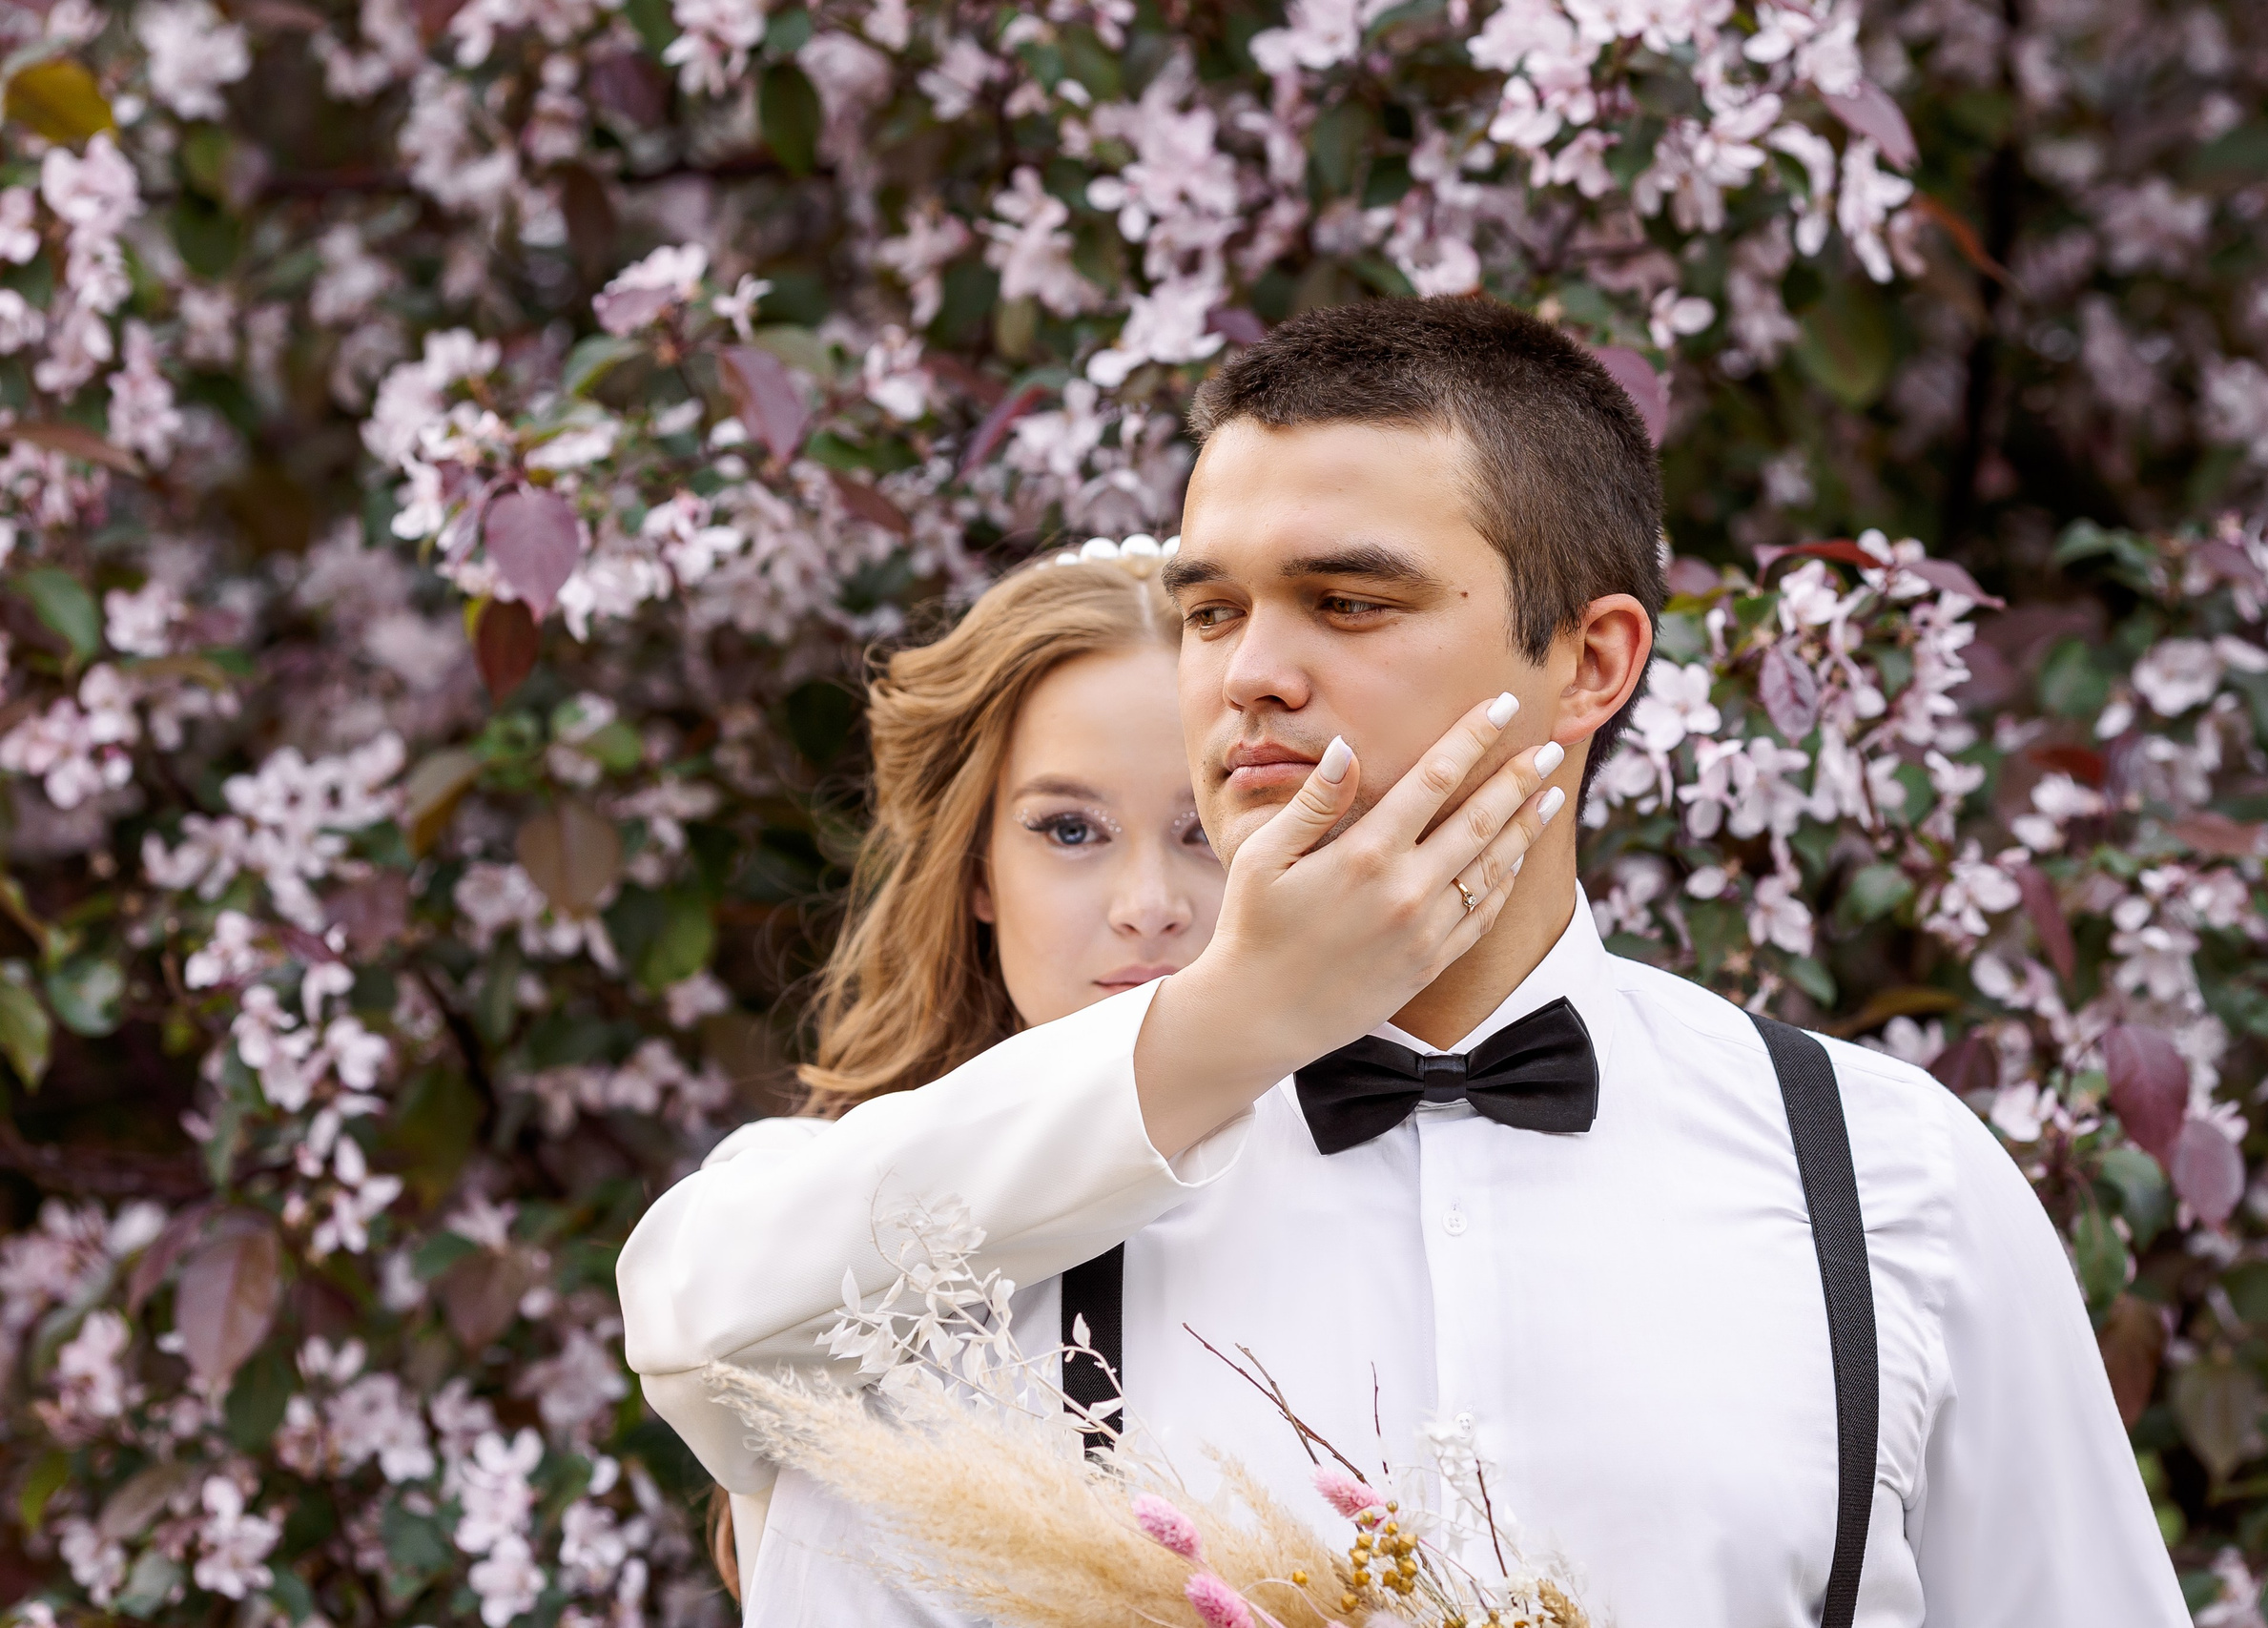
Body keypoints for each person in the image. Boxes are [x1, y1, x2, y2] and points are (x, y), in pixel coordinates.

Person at [621, 299, 2188, 1625]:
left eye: (1346, 600)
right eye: (1212, 607)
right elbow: (697, 1318)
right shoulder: (986, 1225)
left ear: (1591, 662)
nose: (1252, 672)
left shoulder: (1882, 1181)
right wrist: (1227, 1027)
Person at [654, 547, 1225, 1613]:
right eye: (1069, 829)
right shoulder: (789, 1203)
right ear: (976, 874)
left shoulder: (1385, 1181)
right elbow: (693, 1325)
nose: (1150, 901)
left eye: (1208, 829)